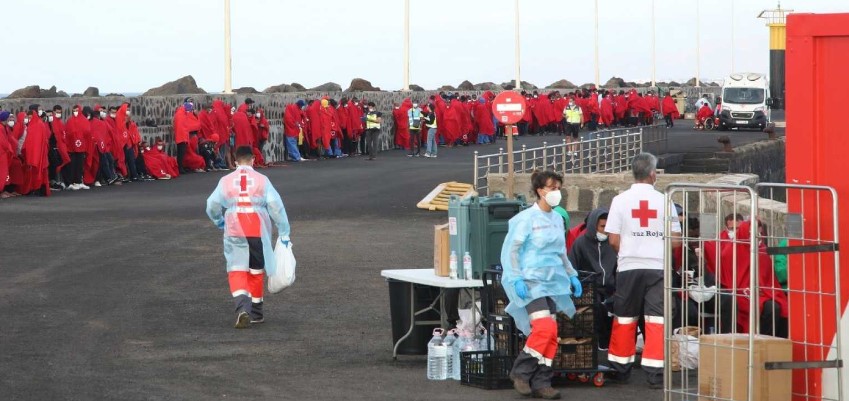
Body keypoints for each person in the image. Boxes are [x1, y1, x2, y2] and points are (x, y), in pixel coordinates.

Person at [501, 170, 582, 400]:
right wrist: (516, 278)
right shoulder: (525, 220)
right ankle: (521, 371)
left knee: (552, 333)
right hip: (530, 282)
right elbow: (512, 251)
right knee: (544, 329)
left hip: (552, 283)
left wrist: (572, 275)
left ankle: (542, 382)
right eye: (551, 187)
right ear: (539, 190)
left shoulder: (557, 219)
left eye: (558, 187)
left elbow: (561, 252)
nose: (556, 192)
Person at [604, 153, 681, 389]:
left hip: (629, 266)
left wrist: (628, 251)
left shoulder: (620, 200)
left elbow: (613, 239)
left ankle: (620, 369)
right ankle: (656, 373)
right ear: (652, 174)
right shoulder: (664, 200)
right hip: (657, 267)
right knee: (657, 319)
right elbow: (676, 239)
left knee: (625, 318)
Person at [206, 146, 291, 328]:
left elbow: (211, 204)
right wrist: (284, 231)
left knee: (236, 268)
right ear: (253, 159)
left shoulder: (225, 180)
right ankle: (257, 312)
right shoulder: (262, 179)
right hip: (256, 226)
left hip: (234, 225)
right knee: (256, 270)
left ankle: (242, 307)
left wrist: (219, 221)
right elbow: (276, 205)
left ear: (235, 161)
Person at [568, 208, 617, 350]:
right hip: (589, 288)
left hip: (611, 289)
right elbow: (572, 267)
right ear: (593, 226)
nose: (605, 231)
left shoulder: (613, 242)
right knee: (597, 307)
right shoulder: (581, 243)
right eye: (602, 226)